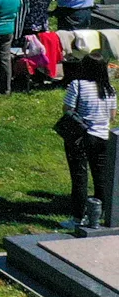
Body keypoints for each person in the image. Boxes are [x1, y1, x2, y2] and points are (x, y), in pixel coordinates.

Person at [62, 56, 117, 227]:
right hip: (103, 137)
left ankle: (78, 218)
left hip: (81, 136)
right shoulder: (109, 89)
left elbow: (67, 109)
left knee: (79, 178)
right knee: (101, 178)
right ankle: (98, 215)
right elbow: (112, 116)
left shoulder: (77, 84)